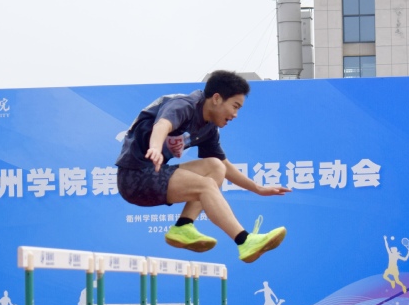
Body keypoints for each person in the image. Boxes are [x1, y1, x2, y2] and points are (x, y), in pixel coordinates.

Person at [115, 70, 290, 263]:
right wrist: (155, 148)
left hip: (154, 173)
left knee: (216, 167)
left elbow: (224, 164)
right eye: (235, 106)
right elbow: (162, 125)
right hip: (134, 177)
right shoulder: (185, 105)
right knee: (206, 186)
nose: (235, 115)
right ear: (216, 98)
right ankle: (244, 240)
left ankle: (183, 226)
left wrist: (257, 188)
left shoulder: (209, 128)